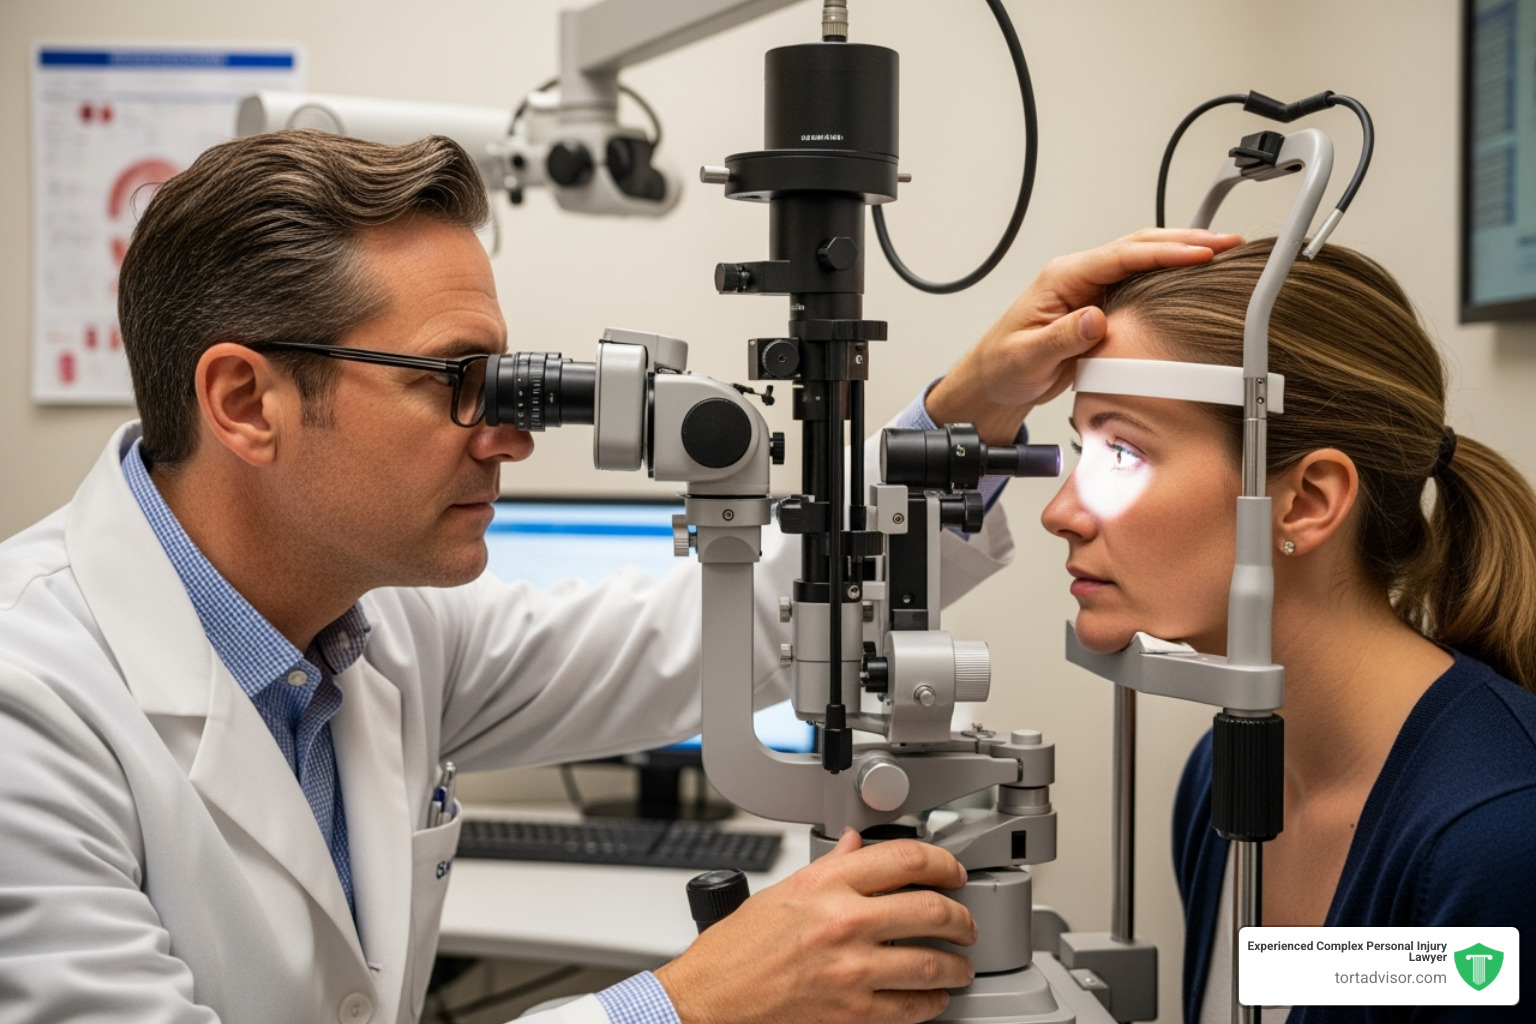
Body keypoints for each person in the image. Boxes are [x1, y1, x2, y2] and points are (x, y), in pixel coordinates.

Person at [0, 126, 1239, 1024]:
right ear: (243, 400)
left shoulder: (372, 634)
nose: (514, 431)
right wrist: (681, 1006)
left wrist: (956, 418)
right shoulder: (29, 703)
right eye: (457, 382)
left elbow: (711, 628)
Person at [1026, 238, 1536, 1023]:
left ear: (1305, 501)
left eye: (1122, 452)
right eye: (1081, 447)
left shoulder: (1496, 838)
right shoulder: (1224, 778)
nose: (1059, 511)